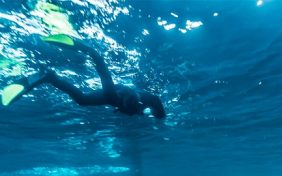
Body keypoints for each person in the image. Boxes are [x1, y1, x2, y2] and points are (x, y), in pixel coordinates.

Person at [1, 34, 166, 119]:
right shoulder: (112, 96)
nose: (132, 110)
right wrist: (88, 50)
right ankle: (49, 77)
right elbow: (102, 70)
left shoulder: (152, 100)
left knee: (82, 100)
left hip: (129, 96)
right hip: (115, 91)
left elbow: (160, 116)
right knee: (82, 100)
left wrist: (160, 120)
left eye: (133, 108)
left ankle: (50, 77)